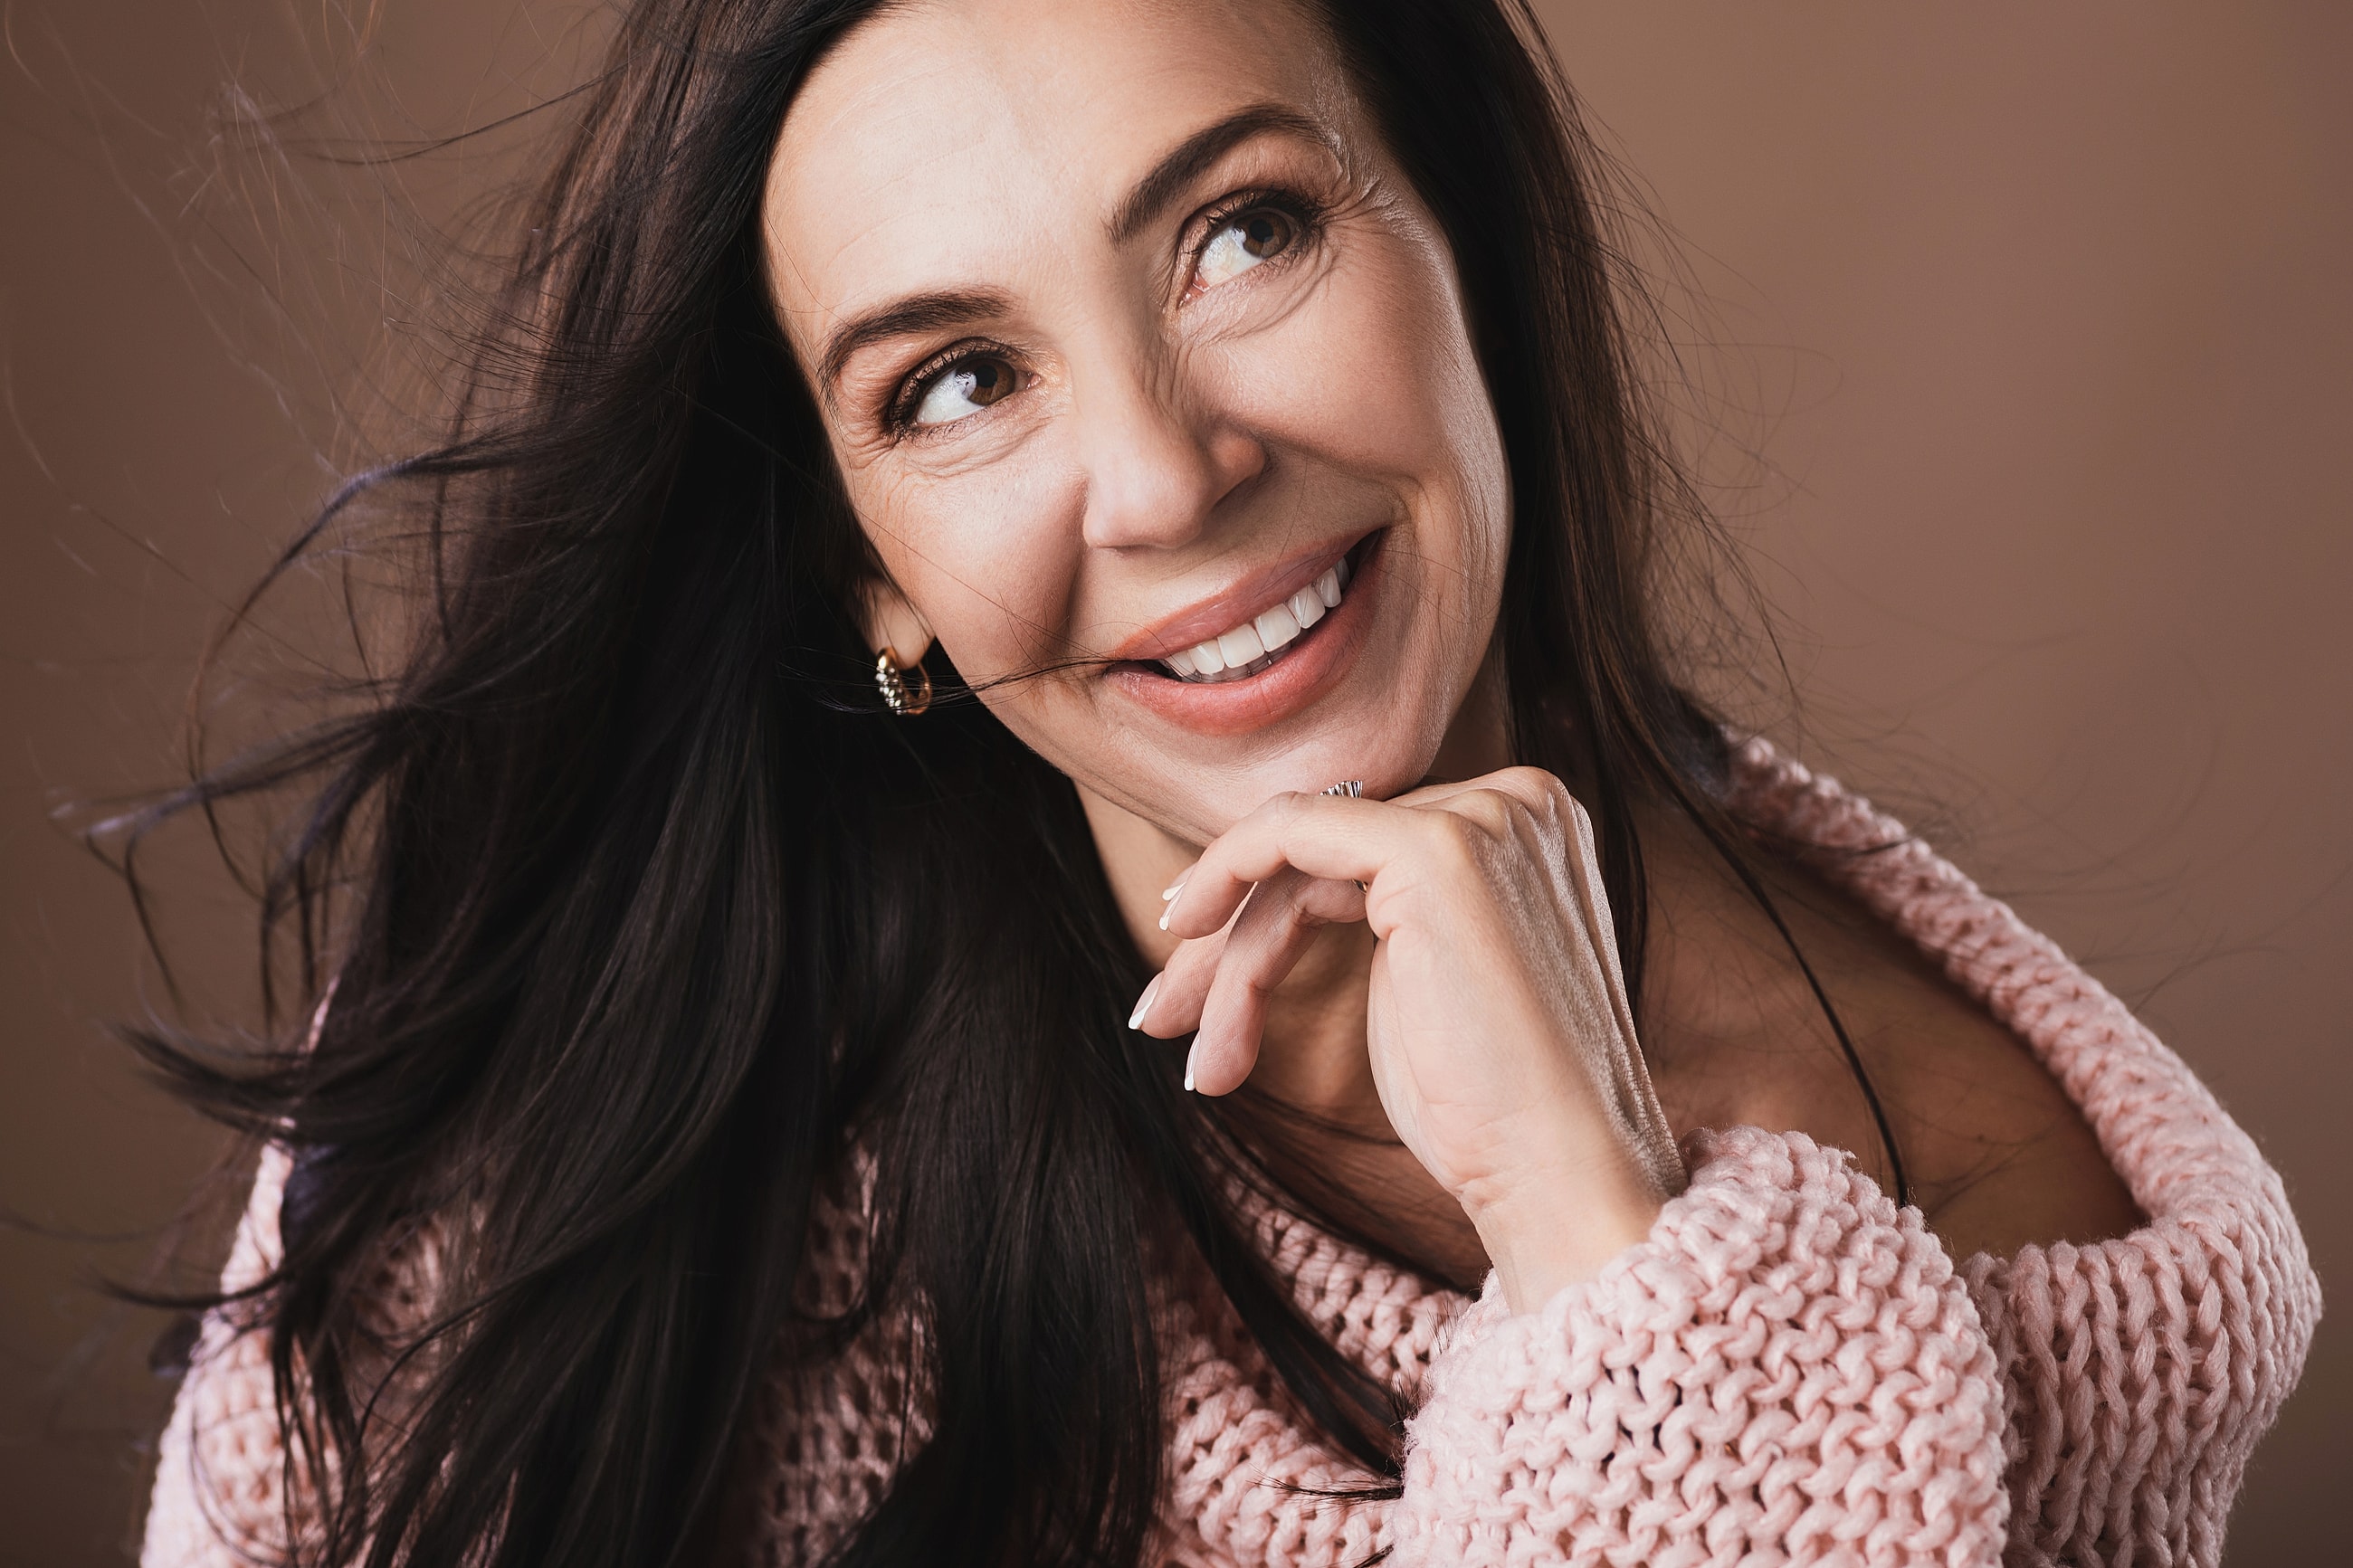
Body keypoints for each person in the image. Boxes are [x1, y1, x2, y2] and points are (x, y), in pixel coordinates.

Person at [136, 1, 2315, 1564]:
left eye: (1244, 232)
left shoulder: (1996, 1232)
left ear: (1469, 256)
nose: (1169, 478)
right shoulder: (575, 1102)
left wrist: (1597, 1240)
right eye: (958, 383)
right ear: (873, 584)